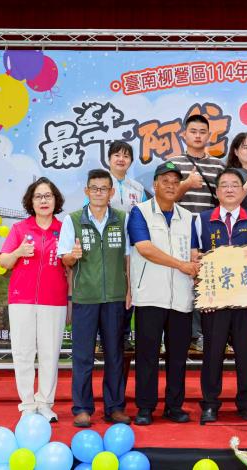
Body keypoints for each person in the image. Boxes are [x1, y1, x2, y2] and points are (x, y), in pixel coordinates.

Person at [127, 161, 200, 426]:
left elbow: (193, 252)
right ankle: (145, 407)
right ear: (154, 185)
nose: (170, 186)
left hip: (181, 297)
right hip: (150, 296)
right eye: (165, 181)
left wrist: (195, 264)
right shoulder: (140, 212)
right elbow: (144, 248)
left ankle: (174, 406)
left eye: (175, 182)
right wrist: (181, 264)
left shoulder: (188, 217)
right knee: (147, 355)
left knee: (178, 357)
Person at [195, 169, 247, 424]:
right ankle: (210, 405)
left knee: (245, 354)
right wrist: (203, 294)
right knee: (212, 353)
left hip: (245, 298)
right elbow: (195, 258)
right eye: (224, 185)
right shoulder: (202, 220)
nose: (229, 189)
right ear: (216, 192)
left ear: (242, 191)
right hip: (214, 300)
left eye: (235, 185)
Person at [57, 169, 130, 428]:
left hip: (115, 297)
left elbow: (128, 257)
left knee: (115, 355)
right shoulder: (73, 220)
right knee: (82, 356)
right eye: (94, 188)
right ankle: (82, 408)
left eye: (104, 188)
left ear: (111, 192)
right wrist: (72, 256)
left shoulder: (122, 219)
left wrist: (129, 291)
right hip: (85, 298)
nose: (99, 193)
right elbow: (64, 258)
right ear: (86, 191)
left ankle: (115, 407)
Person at [0, 177, 68, 422]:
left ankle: (45, 403)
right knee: (23, 352)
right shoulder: (20, 229)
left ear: (56, 200)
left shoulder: (65, 229)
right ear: (31, 201)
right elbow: (4, 261)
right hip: (22, 299)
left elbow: (71, 263)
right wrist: (18, 252)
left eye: (48, 196)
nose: (43, 201)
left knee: (50, 353)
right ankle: (27, 404)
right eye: (38, 196)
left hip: (54, 299)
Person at [168, 114, 225, 352]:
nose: (198, 136)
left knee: (207, 281)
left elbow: (225, 199)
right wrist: (186, 184)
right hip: (180, 233)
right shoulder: (173, 164)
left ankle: (206, 335)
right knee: (183, 281)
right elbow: (166, 198)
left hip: (210, 232)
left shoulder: (219, 166)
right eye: (193, 131)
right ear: (184, 135)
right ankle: (185, 336)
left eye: (203, 132)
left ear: (209, 136)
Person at [106, 140, 147, 351]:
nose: (121, 159)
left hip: (132, 248)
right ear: (109, 159)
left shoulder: (138, 188)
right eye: (117, 155)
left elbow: (145, 217)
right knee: (109, 290)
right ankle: (105, 336)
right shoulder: (101, 184)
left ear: (131, 161)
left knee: (130, 289)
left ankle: (124, 335)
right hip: (107, 249)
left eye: (126, 156)